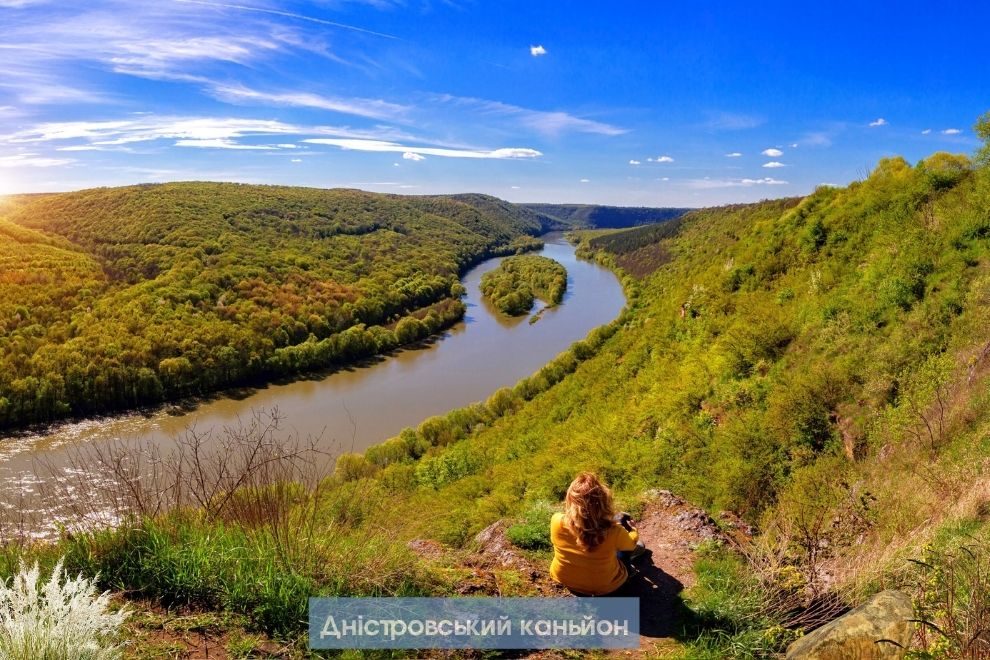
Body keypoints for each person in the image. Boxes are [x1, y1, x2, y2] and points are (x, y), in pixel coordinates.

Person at [549, 472, 646, 596]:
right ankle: (628, 571)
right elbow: (631, 545)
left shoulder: (556, 520)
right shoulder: (614, 531)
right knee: (627, 548)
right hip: (606, 586)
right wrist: (633, 531)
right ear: (603, 502)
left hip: (564, 578)